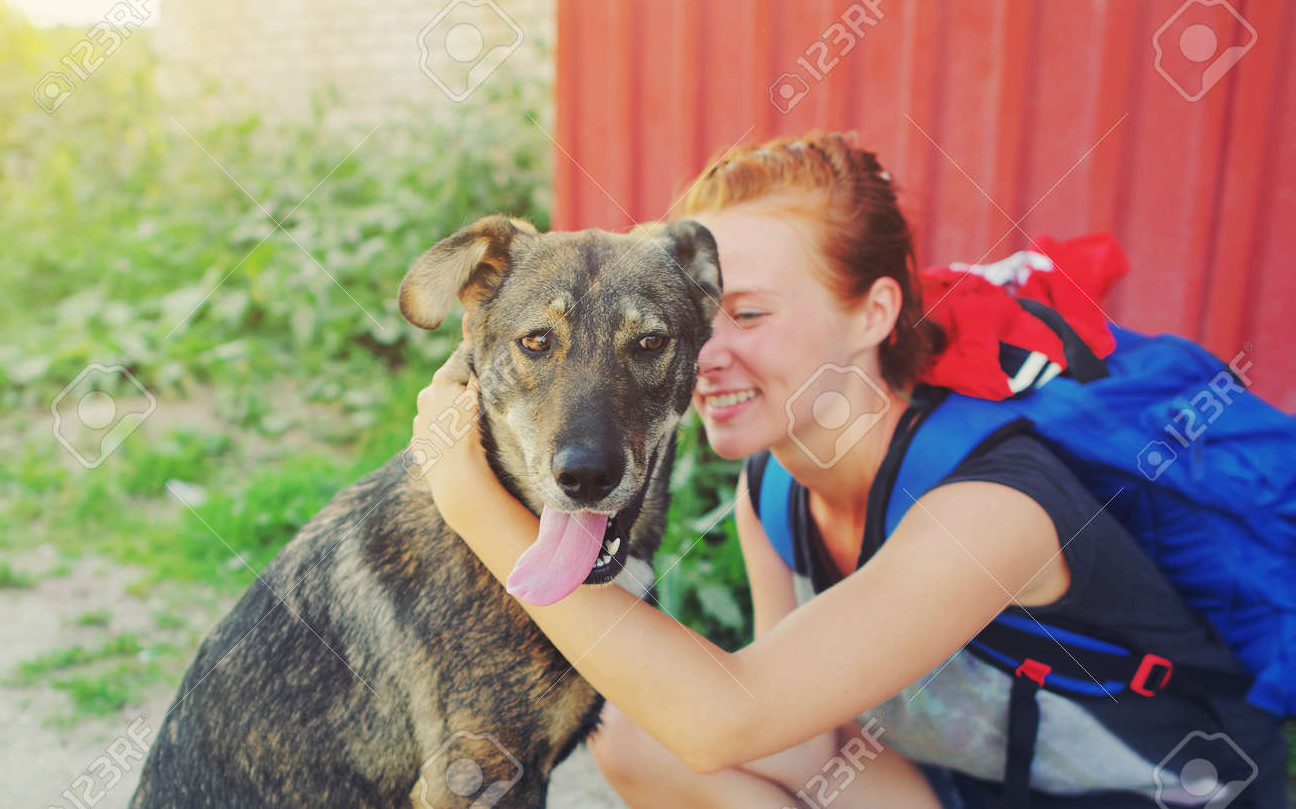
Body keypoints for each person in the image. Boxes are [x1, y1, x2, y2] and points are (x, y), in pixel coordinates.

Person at [412, 131, 1287, 807]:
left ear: (873, 314)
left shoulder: (987, 508)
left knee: (683, 721)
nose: (699, 348)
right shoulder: (778, 486)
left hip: (1140, 794)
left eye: (746, 311)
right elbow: (799, 732)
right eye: (689, 313)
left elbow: (728, 717)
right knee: (636, 733)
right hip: (962, 783)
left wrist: (466, 493)